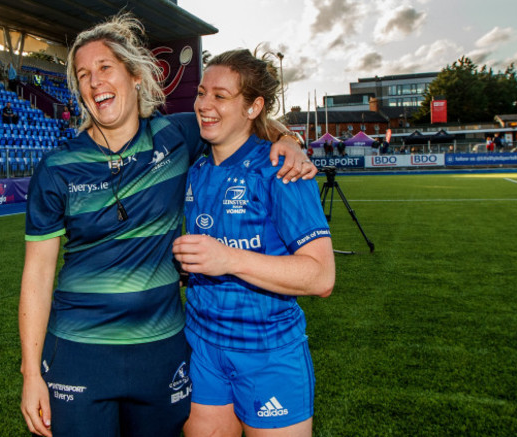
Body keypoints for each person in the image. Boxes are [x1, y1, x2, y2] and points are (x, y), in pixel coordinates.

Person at [19, 13, 316, 437]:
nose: (94, 81)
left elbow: (241, 120)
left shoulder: (177, 136)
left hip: (161, 351)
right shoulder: (56, 167)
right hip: (78, 350)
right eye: (83, 74)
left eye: (105, 68)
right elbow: (37, 274)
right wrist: (31, 373)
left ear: (135, 76)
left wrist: (288, 141)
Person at [173, 49, 335, 437]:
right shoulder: (194, 168)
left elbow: (321, 277)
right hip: (202, 347)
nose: (204, 105)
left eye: (221, 96)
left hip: (269, 351)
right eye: (201, 93)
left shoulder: (282, 169)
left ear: (253, 107)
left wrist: (227, 258)